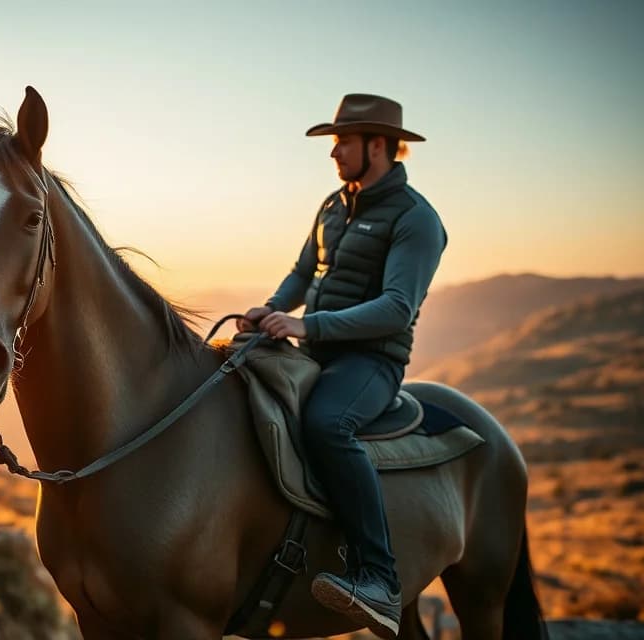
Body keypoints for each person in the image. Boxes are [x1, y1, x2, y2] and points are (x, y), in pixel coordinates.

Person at [237, 93, 446, 639]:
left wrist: (309, 327)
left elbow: (397, 307)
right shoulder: (334, 203)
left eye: (342, 143)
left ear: (377, 145)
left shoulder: (417, 219)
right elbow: (304, 272)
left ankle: (379, 577)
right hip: (317, 350)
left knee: (328, 424)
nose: (333, 153)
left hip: (371, 362)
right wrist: (273, 309)